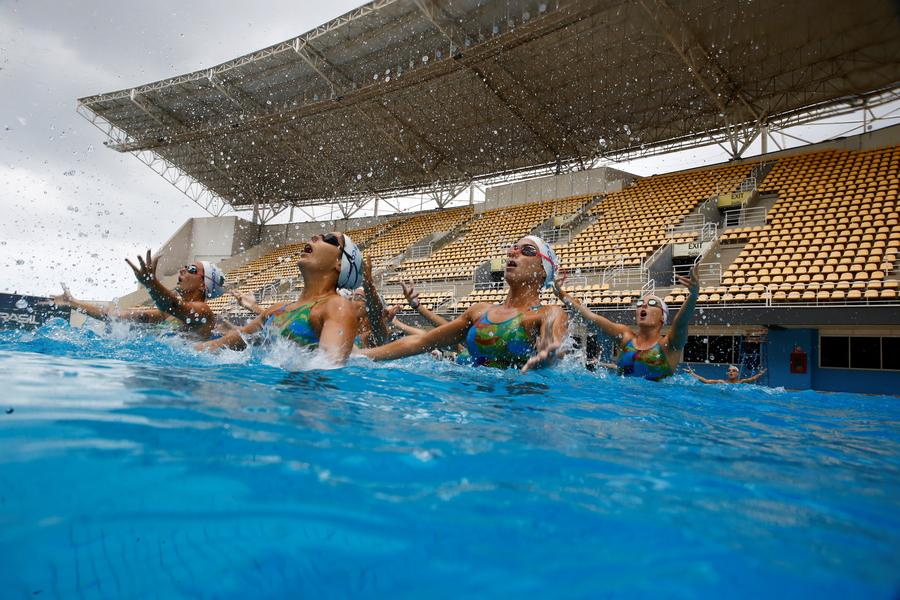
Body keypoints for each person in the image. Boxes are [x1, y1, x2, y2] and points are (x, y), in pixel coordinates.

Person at [361, 235, 568, 372]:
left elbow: (553, 349)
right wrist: (360, 356)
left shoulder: (548, 313)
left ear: (543, 271)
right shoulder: (479, 311)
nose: (513, 252)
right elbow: (422, 342)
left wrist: (548, 356)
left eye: (528, 251)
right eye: (514, 248)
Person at [196, 232, 362, 364]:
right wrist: (200, 348)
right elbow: (240, 338)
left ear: (341, 263)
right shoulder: (278, 309)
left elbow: (329, 366)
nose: (316, 236)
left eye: (329, 239)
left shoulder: (336, 306)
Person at [553, 268, 700, 381]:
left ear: (663, 316)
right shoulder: (625, 337)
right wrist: (560, 294)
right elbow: (590, 317)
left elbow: (681, 323)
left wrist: (693, 296)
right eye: (641, 303)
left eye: (652, 303)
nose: (643, 306)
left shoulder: (669, 345)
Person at [48, 251, 224, 340]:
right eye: (185, 266)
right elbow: (112, 316)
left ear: (203, 284)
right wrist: (73, 302)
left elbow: (174, 305)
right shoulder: (166, 315)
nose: (182, 269)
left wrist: (151, 283)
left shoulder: (204, 311)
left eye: (191, 269)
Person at [687, 365, 767, 384]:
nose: (731, 372)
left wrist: (759, 374)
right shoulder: (722, 382)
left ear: (737, 373)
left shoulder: (741, 382)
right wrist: (692, 373)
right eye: (729, 370)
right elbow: (706, 381)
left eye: (733, 371)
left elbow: (752, 379)